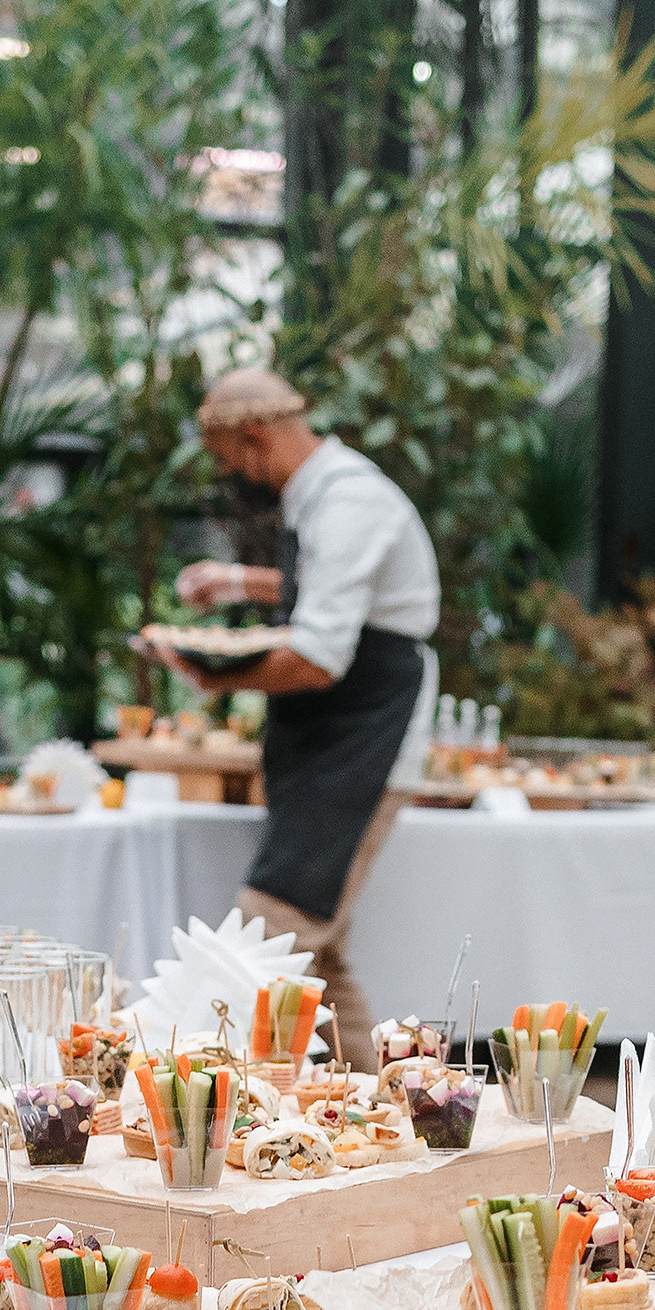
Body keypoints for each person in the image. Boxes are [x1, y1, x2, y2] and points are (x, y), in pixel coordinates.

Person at [168, 367, 439, 1062]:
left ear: (256, 435)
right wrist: (239, 582)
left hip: (364, 740)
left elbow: (318, 657)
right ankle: (409, 1103)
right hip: (328, 739)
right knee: (314, 960)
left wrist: (215, 674)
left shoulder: (350, 501)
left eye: (232, 460)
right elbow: (330, 586)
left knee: (261, 943)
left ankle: (207, 1096)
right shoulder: (320, 495)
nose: (234, 476)